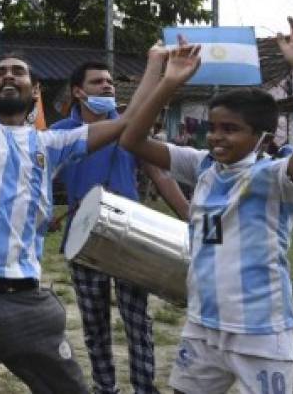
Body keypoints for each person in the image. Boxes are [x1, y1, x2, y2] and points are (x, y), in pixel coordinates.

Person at [0, 0, 164, 394]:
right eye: (1, 72)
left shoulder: (53, 143)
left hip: (27, 302)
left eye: (19, 72)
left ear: (35, 92)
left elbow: (125, 124)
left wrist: (157, 68)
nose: (9, 75)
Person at [119, 12, 293, 394]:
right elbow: (132, 141)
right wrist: (169, 83)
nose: (216, 137)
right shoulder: (202, 166)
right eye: (212, 127)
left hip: (260, 331)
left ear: (261, 136)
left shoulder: (275, 179)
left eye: (230, 129)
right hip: (203, 323)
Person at [52, 60, 190, 394]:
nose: (108, 87)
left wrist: (191, 218)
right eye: (98, 82)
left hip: (132, 239)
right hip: (83, 242)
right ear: (78, 91)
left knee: (137, 320)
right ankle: (104, 387)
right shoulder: (59, 135)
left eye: (110, 82)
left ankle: (145, 387)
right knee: (94, 323)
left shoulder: (133, 131)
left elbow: (160, 175)